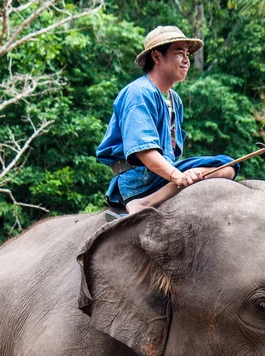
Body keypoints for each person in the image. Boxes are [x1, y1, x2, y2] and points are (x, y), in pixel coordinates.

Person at [97, 25, 239, 215]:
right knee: (225, 164)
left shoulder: (175, 100)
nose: (186, 60)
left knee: (228, 168)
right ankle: (143, 203)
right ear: (156, 57)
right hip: (138, 177)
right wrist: (177, 176)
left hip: (161, 175)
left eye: (187, 54)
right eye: (179, 52)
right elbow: (144, 151)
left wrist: (187, 174)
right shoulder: (138, 93)